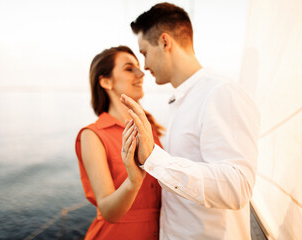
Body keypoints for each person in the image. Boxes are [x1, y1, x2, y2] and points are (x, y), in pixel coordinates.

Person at [120, 3, 260, 240]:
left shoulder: (220, 93)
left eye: (144, 53)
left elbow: (238, 187)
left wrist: (154, 159)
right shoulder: (180, 101)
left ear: (165, 42)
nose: (144, 66)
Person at [75, 45, 164, 240]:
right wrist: (134, 181)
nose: (141, 74)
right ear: (106, 82)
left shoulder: (151, 128)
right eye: (129, 68)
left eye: (139, 67)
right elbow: (107, 210)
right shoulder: (93, 135)